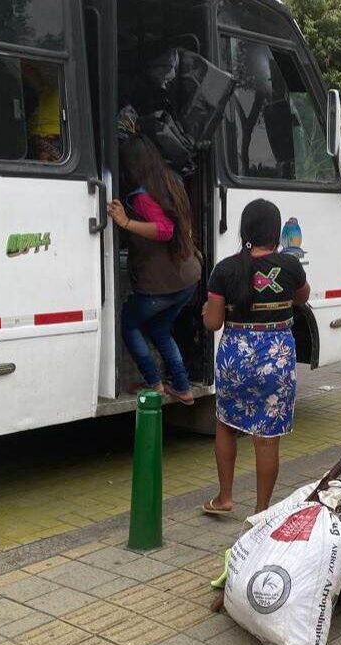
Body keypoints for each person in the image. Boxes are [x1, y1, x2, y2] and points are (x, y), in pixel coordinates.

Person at [201, 199, 310, 514]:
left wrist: (206, 310)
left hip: (236, 357)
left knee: (225, 424)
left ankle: (224, 498)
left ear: (244, 229)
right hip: (275, 359)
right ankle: (261, 510)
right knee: (267, 438)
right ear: (276, 232)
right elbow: (301, 297)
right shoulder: (290, 266)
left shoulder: (225, 269)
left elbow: (214, 323)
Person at [108, 134, 201, 405]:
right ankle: (182, 388)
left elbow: (165, 230)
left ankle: (155, 383)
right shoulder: (172, 182)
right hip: (187, 277)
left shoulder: (141, 197)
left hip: (161, 285)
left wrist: (125, 222)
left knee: (129, 324)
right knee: (160, 329)